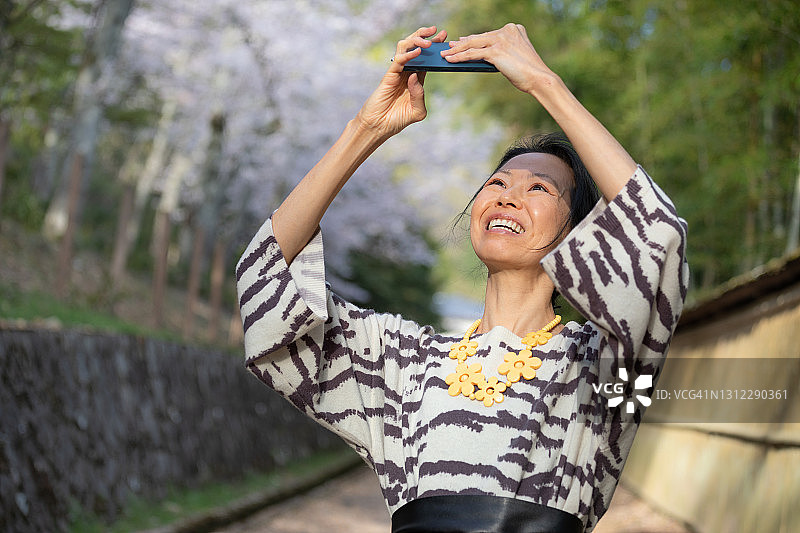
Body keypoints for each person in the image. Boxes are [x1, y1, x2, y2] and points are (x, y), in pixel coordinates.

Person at [236, 24, 688, 533]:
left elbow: (658, 235)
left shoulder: (603, 363)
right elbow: (267, 281)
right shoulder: (403, 362)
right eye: (496, 182)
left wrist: (545, 84)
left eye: (539, 188)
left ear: (579, 237)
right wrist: (367, 128)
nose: (506, 195)